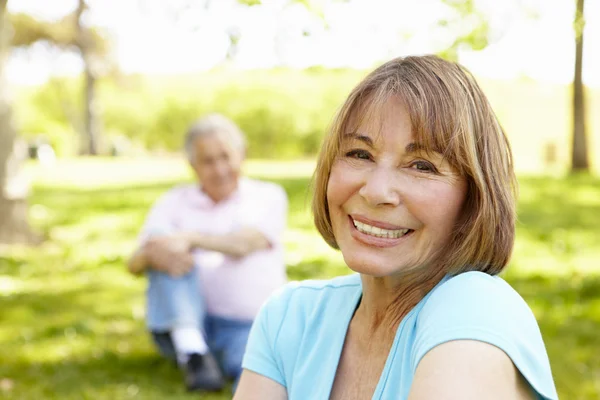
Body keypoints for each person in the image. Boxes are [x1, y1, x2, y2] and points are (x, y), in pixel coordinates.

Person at [234, 55, 558, 399]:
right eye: (360, 154)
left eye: (421, 165)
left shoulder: (477, 310)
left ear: (473, 198)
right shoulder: (291, 318)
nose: (376, 192)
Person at [127, 114, 288, 392]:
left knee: (262, 377)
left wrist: (189, 239)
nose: (219, 169)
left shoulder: (267, 196)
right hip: (189, 323)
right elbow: (133, 264)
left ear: (242, 155)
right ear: (192, 165)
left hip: (249, 325)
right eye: (208, 161)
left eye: (225, 157)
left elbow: (244, 244)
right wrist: (155, 254)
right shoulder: (173, 201)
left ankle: (203, 360)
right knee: (159, 243)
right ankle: (192, 349)